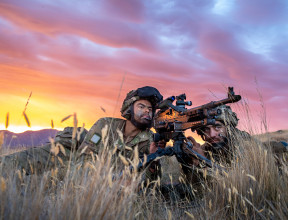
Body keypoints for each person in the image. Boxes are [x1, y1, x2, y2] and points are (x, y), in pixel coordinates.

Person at [0, 86, 163, 181]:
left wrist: (153, 158)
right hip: (77, 167)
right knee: (45, 156)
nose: (147, 112)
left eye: (150, 109)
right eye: (141, 106)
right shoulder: (106, 124)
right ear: (129, 108)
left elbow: (150, 185)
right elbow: (84, 157)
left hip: (105, 182)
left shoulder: (150, 141)